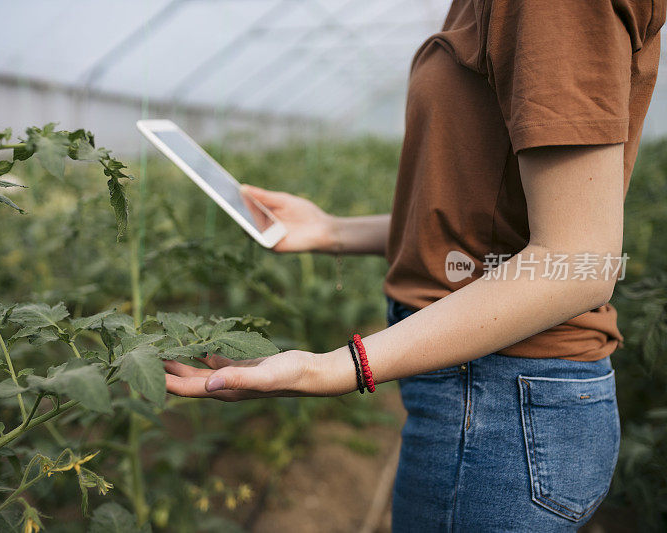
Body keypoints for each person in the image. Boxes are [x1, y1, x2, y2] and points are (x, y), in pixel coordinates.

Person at [164, 0, 665, 530]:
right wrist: (333, 229)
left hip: (499, 401)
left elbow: (579, 262)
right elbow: (475, 222)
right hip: (491, 396)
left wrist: (335, 366)